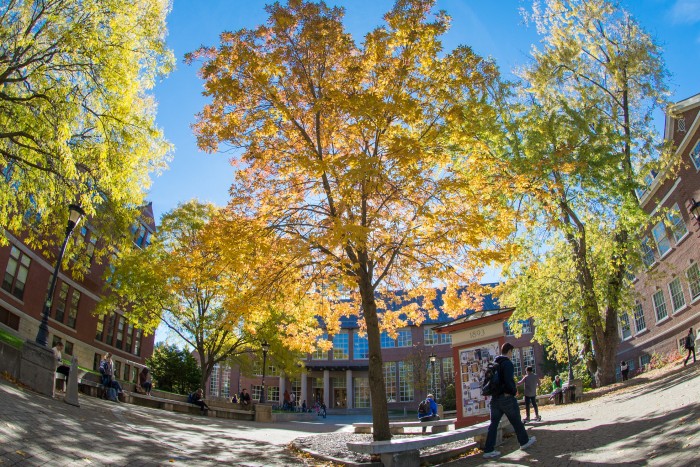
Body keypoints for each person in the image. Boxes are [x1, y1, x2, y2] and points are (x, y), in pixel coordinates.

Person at [482, 342, 536, 459]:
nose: (512, 354)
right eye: (512, 352)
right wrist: (512, 391)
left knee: (493, 424)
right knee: (516, 420)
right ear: (509, 351)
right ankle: (524, 442)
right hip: (506, 398)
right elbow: (508, 380)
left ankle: (488, 450)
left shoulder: (495, 363)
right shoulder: (507, 363)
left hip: (495, 399)